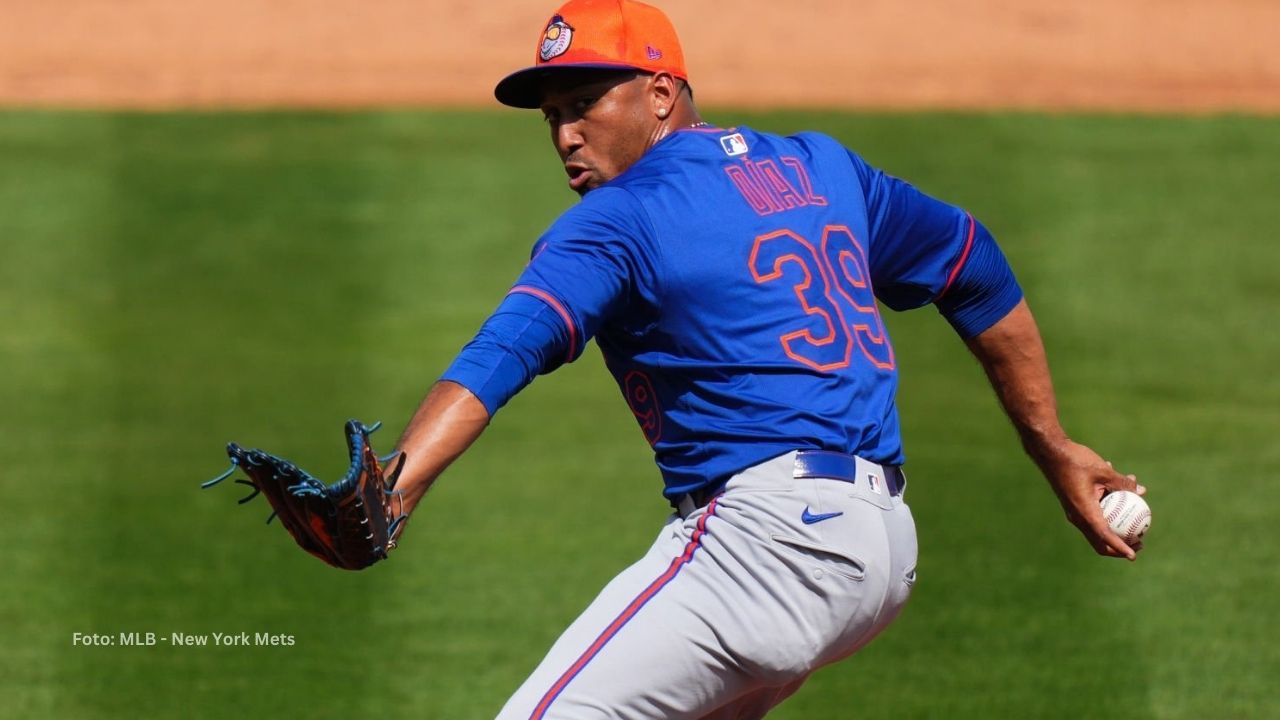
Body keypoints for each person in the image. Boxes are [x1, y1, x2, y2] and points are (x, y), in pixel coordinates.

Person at [387, 1, 1146, 717]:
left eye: (584, 102)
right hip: (882, 553)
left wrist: (396, 489)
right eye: (553, 116)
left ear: (659, 94)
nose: (564, 136)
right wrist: (1053, 445)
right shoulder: (822, 167)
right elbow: (973, 266)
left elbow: (504, 352)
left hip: (766, 546)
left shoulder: (615, 221)